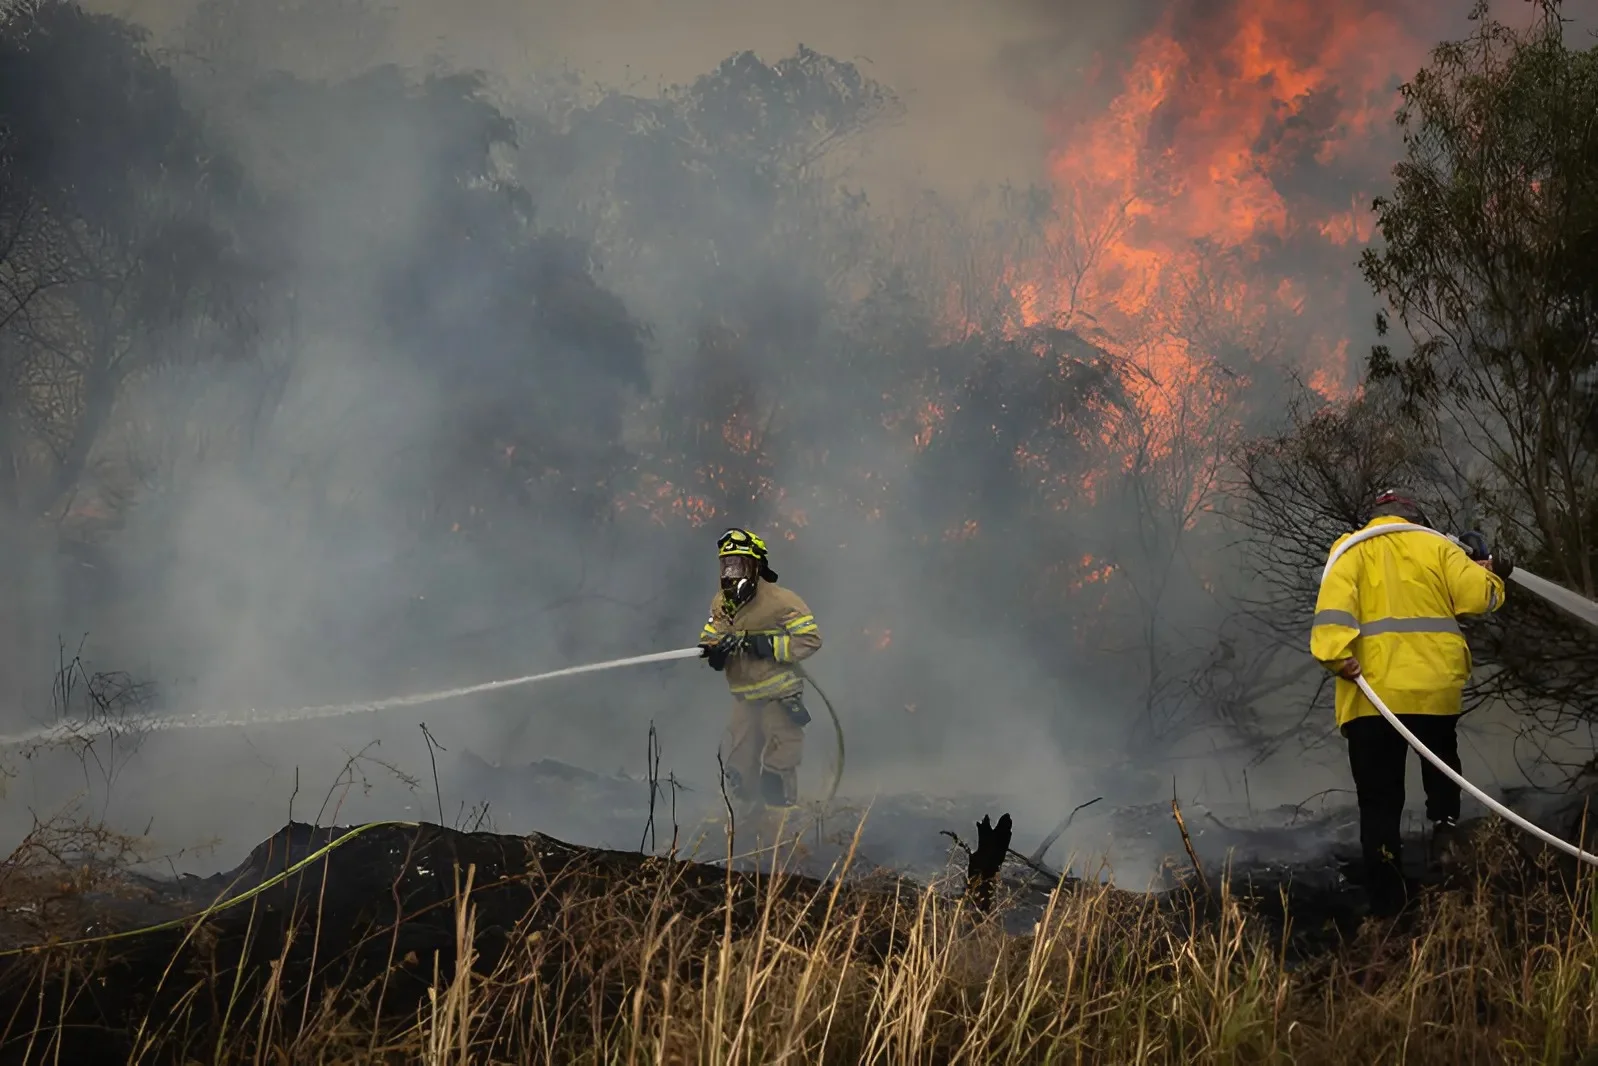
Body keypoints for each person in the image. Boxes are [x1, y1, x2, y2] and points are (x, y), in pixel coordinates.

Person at [1310, 488, 1513, 915]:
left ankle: (1388, 906)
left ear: (1374, 517)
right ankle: (1446, 837)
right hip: (1432, 689)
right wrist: (1493, 574)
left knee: (1379, 802)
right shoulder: (1438, 546)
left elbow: (1332, 609)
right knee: (1441, 761)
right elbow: (1480, 597)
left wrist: (1337, 657)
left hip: (1371, 696)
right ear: (1415, 517)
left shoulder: (1350, 549)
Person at [697, 527, 822, 813]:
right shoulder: (721, 603)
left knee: (778, 763)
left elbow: (810, 640)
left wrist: (766, 645)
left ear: (756, 566)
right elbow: (709, 638)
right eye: (727, 565)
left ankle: (783, 822)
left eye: (739, 565)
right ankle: (744, 823)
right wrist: (714, 653)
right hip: (744, 697)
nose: (732, 573)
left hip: (779, 694)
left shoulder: (781, 601)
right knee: (739, 768)